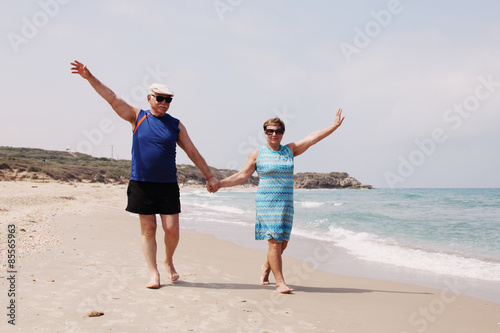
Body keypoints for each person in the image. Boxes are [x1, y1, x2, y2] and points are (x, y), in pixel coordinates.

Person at [70, 60, 220, 289]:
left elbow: (192, 151)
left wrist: (209, 175)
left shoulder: (176, 125)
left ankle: (168, 261)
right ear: (149, 97)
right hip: (141, 183)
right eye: (160, 98)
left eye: (168, 99)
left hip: (167, 184)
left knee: (171, 229)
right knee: (148, 228)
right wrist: (89, 77)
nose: (164, 103)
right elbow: (111, 97)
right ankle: (153, 273)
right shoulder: (136, 116)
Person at [214, 109, 344, 293]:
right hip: (266, 203)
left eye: (277, 131)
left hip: (286, 203)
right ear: (265, 132)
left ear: (283, 133)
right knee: (274, 241)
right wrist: (220, 184)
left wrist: (333, 127)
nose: (274, 134)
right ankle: (280, 282)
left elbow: (312, 138)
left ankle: (266, 267)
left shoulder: (289, 150)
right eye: (270, 131)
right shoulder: (258, 153)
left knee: (282, 242)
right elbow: (242, 175)